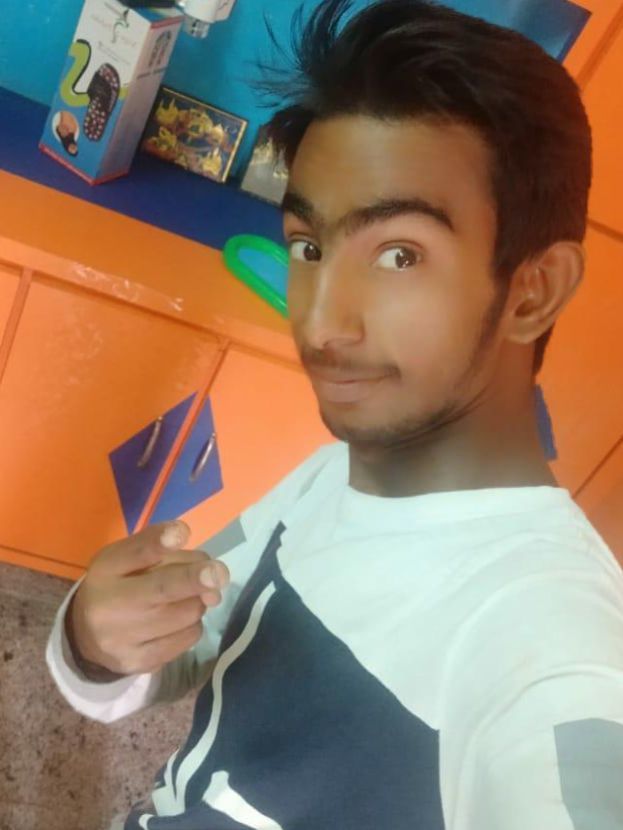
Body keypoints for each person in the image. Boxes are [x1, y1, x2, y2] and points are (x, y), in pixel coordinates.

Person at [47, 1, 623, 828]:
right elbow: (178, 645)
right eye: (309, 247)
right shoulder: (329, 477)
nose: (320, 323)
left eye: (398, 254)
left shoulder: (550, 643)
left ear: (531, 290)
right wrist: (94, 642)